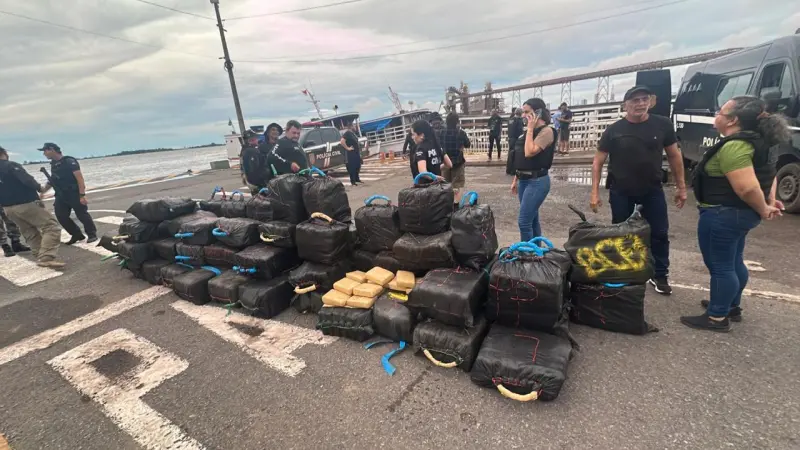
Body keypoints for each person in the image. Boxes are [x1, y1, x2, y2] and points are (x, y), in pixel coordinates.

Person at [681, 96, 788, 332]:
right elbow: (770, 173)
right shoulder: (761, 142)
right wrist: (769, 201)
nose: (716, 116)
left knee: (720, 266)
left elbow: (747, 187)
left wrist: (764, 208)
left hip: (724, 213)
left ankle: (717, 317)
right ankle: (730, 305)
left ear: (733, 120)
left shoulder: (736, 146)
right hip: (739, 214)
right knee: (733, 260)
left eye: (720, 112)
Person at [590, 86, 687, 295]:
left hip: (652, 190)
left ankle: (660, 274)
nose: (640, 104)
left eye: (644, 99)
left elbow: (674, 156)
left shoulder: (662, 125)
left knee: (659, 233)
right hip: (621, 191)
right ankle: (625, 272)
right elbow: (598, 160)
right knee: (623, 234)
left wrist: (681, 187)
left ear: (651, 102)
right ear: (625, 105)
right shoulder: (614, 130)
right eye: (635, 100)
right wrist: (595, 193)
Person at [0, 146, 64, 268]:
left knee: (29, 231)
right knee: (51, 226)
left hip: (8, 208)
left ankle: (39, 255)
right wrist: (41, 189)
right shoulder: (11, 166)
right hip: (25, 203)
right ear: (4, 153)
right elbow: (27, 180)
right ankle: (46, 256)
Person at [510, 98, 556, 242]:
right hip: (524, 180)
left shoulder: (547, 131)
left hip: (537, 181)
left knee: (524, 222)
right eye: (523, 112)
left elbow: (530, 152)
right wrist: (515, 179)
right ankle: (537, 253)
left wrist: (529, 129)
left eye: (527, 112)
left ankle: (527, 254)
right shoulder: (527, 134)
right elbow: (522, 160)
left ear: (538, 113)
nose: (523, 115)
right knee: (532, 220)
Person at [39, 142, 97, 244]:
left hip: (74, 193)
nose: (44, 153)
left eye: (45, 151)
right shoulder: (54, 164)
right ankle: (76, 234)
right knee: (61, 216)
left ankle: (92, 234)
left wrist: (82, 195)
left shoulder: (69, 161)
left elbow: (79, 179)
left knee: (82, 214)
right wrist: (43, 191)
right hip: (61, 195)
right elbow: (53, 180)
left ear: (52, 149)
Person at [440, 112, 471, 200]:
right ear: (457, 121)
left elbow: (439, 146)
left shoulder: (442, 133)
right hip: (458, 162)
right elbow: (468, 144)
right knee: (457, 184)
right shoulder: (461, 133)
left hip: (445, 163)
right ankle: (456, 205)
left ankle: (446, 204)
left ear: (446, 122)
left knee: (445, 184)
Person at [340, 121, 363, 185]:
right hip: (351, 153)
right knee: (352, 167)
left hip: (356, 152)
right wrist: (347, 148)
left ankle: (357, 179)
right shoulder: (347, 133)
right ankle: (353, 181)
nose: (355, 126)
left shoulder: (353, 133)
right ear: (351, 126)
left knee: (358, 166)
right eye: (354, 125)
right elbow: (342, 141)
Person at [506, 108, 523, 175]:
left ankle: (508, 169)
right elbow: (519, 131)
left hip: (510, 138)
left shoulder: (510, 119)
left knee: (510, 154)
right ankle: (513, 170)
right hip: (516, 139)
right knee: (516, 155)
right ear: (520, 113)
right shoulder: (519, 120)